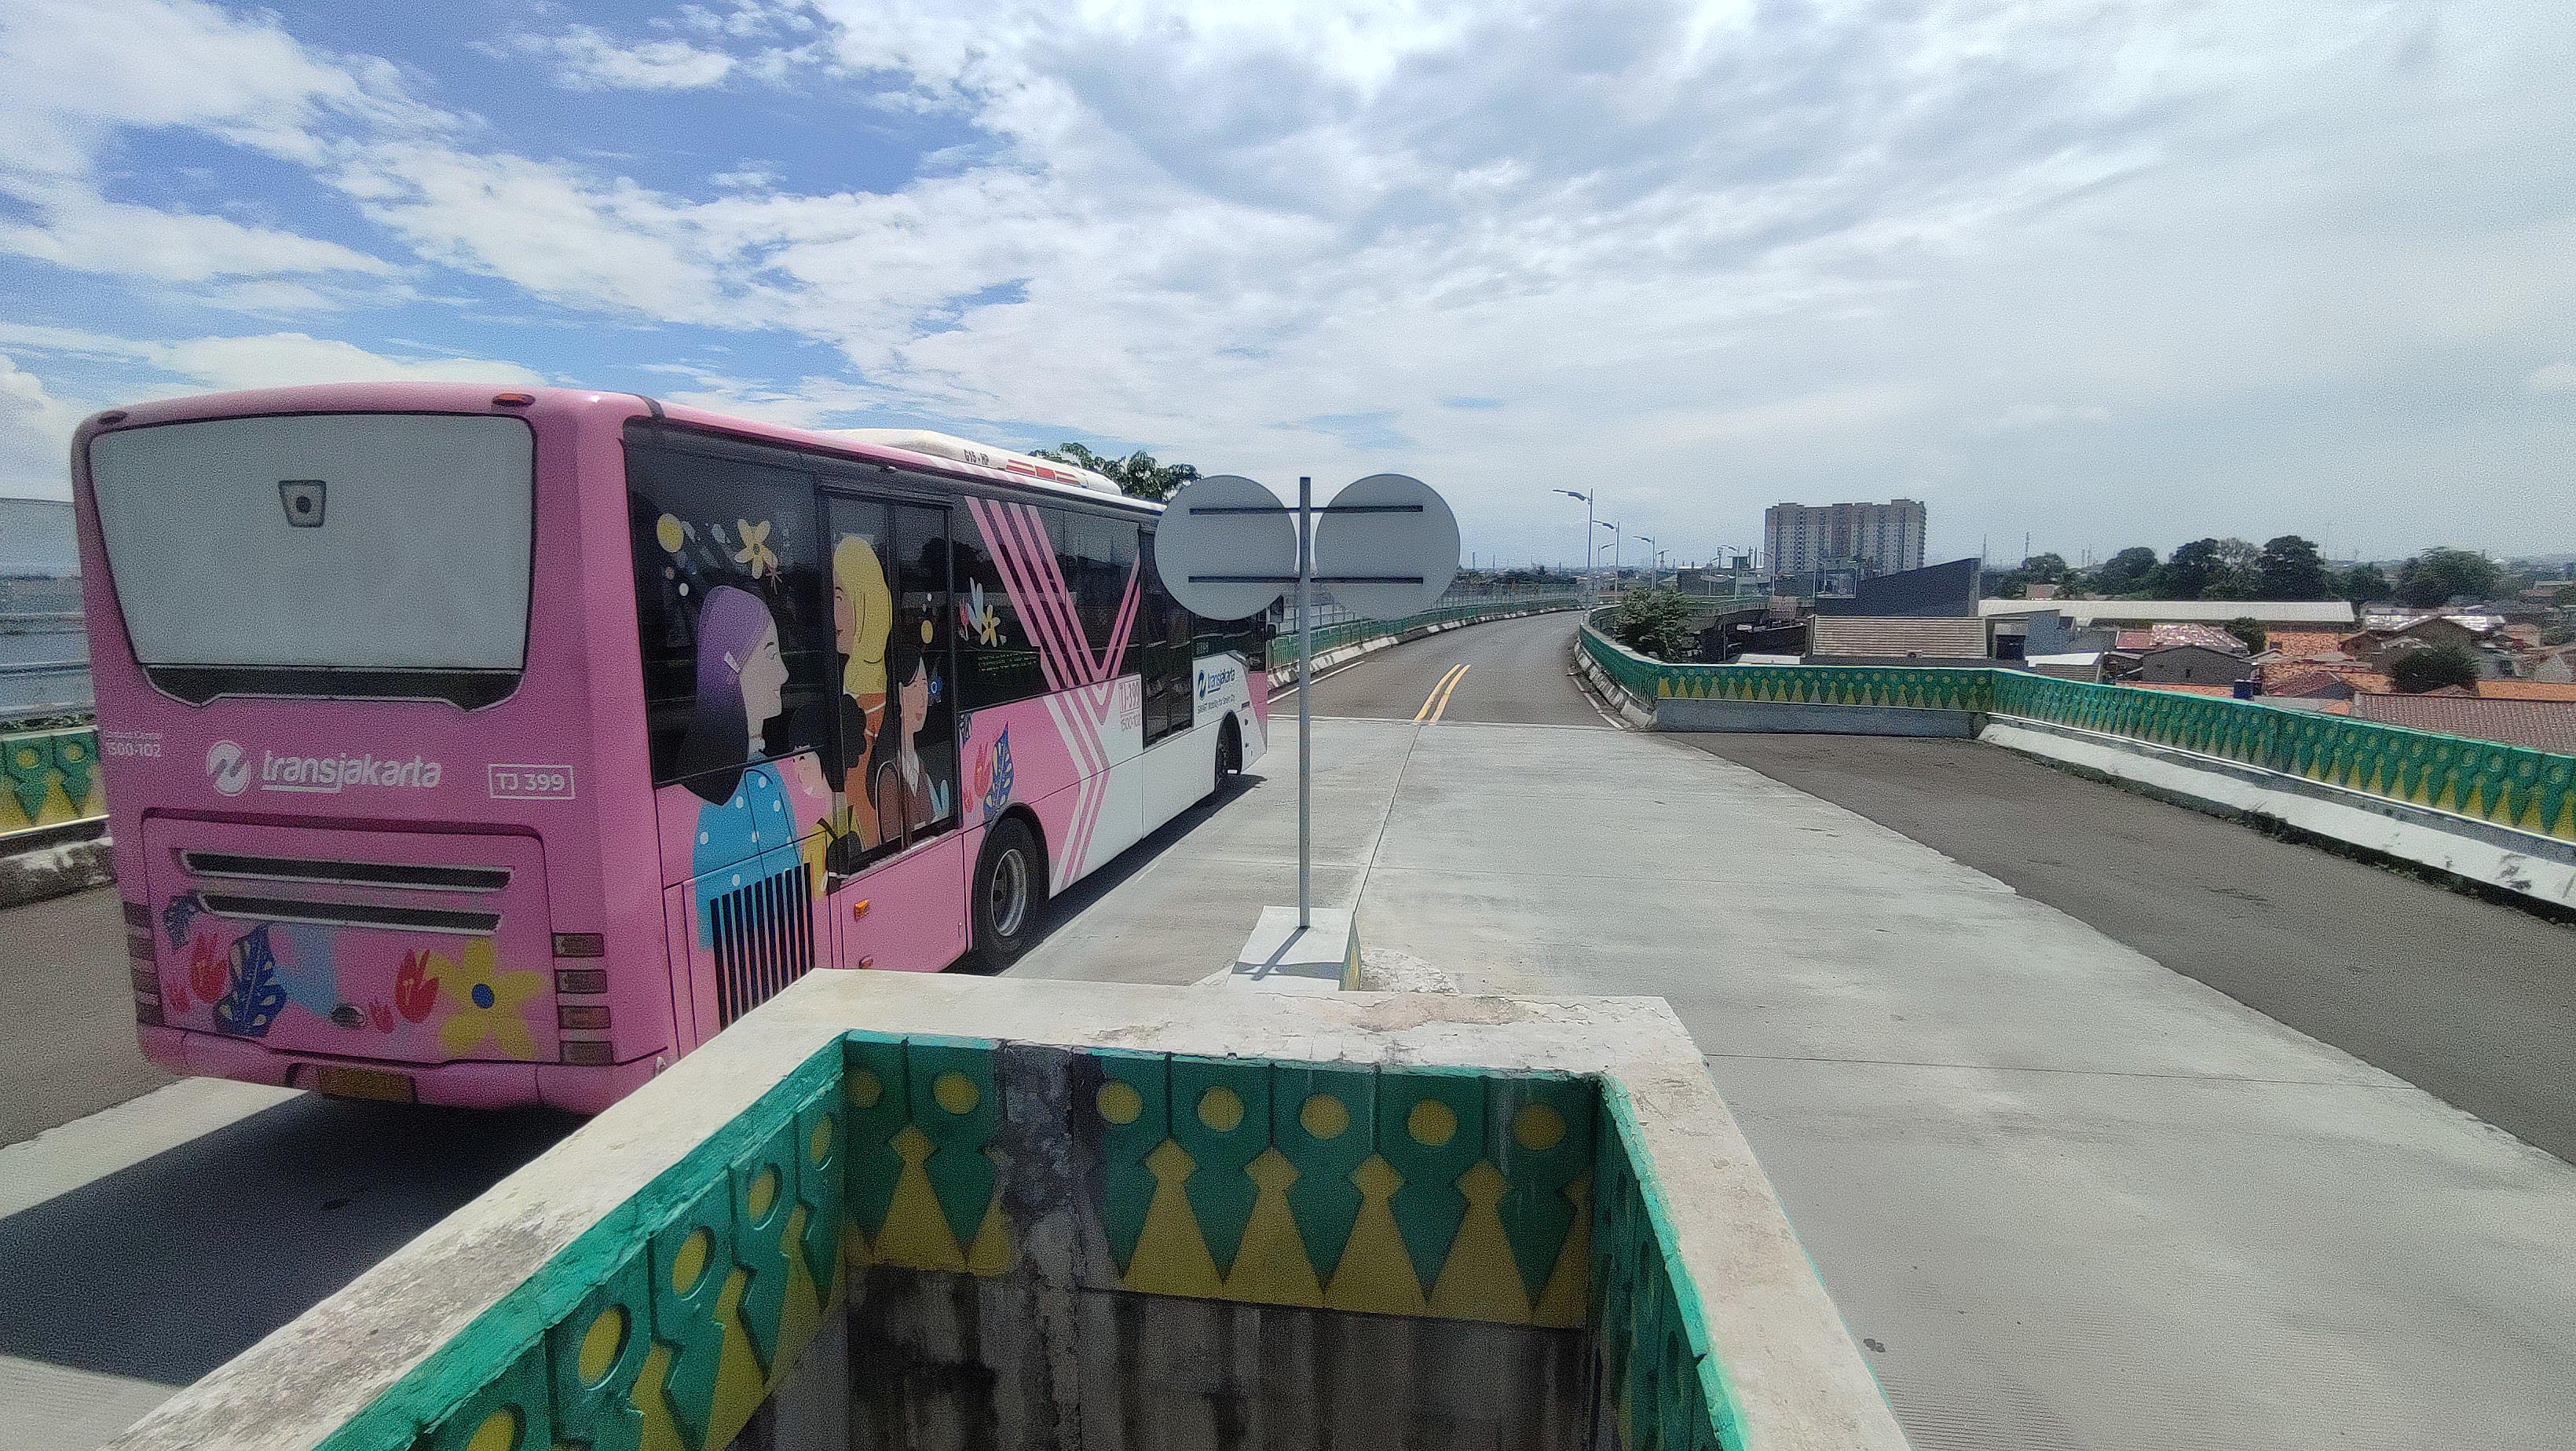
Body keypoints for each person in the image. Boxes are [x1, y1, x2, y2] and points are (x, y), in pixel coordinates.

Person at [675, 586, 801, 932]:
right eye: (771, 655)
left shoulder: (761, 775)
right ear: (734, 664)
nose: (785, 675)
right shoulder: (735, 792)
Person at [831, 534, 893, 848]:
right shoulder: (856, 678)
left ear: (864, 601)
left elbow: (855, 790)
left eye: (839, 597)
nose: (831, 612)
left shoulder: (866, 694)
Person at [866, 614, 942, 851]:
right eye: (915, 686)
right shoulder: (888, 773)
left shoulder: (919, 767)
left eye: (924, 685)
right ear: (898, 693)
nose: (923, 697)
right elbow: (892, 843)